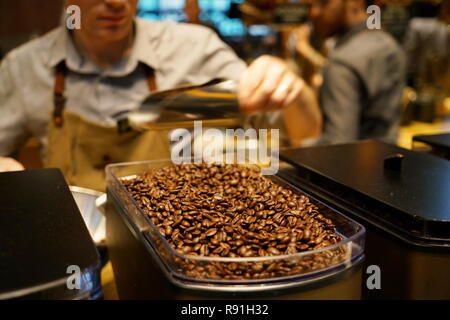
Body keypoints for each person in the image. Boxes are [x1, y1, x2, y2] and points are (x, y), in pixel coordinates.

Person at [0, 0, 320, 189]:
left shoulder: (193, 48)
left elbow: (303, 132)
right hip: (77, 242)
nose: (116, 3)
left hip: (177, 235)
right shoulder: (24, 66)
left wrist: (293, 88)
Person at [306, 0, 406, 145]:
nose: (313, 12)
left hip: (353, 164)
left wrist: (294, 149)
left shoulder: (342, 62)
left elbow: (338, 146)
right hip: (387, 160)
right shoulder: (390, 44)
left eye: (323, 2)